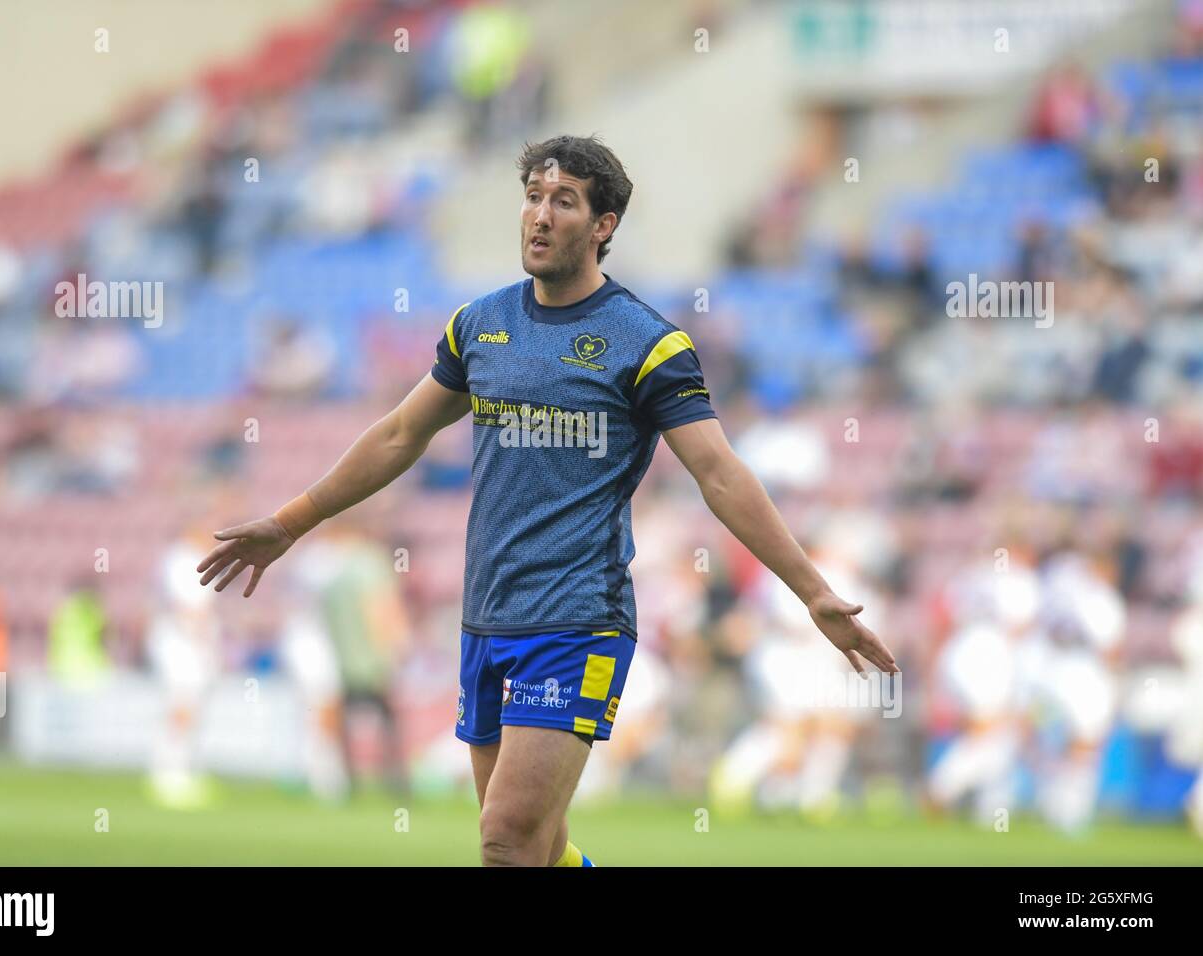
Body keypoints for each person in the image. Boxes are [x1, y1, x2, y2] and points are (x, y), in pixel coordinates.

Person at [196, 134, 898, 866]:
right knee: (540, 849)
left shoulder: (648, 344)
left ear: (603, 227)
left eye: (563, 201)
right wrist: (289, 523)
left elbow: (719, 473)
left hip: (577, 621)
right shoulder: (479, 325)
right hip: (486, 619)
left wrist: (812, 592)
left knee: (505, 843)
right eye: (532, 196)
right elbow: (401, 433)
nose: (539, 214)